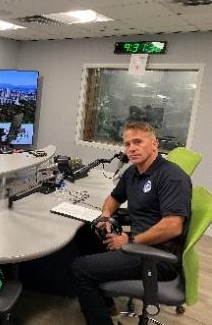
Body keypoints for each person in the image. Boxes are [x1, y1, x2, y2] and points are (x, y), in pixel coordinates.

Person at [71, 121, 192, 325]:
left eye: (138, 142)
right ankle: (108, 307)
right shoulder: (133, 172)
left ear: (154, 144)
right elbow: (113, 198)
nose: (132, 148)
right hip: (137, 245)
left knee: (79, 268)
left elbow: (173, 225)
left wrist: (130, 240)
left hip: (157, 257)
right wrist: (106, 215)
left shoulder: (171, 176)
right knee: (85, 234)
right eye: (127, 144)